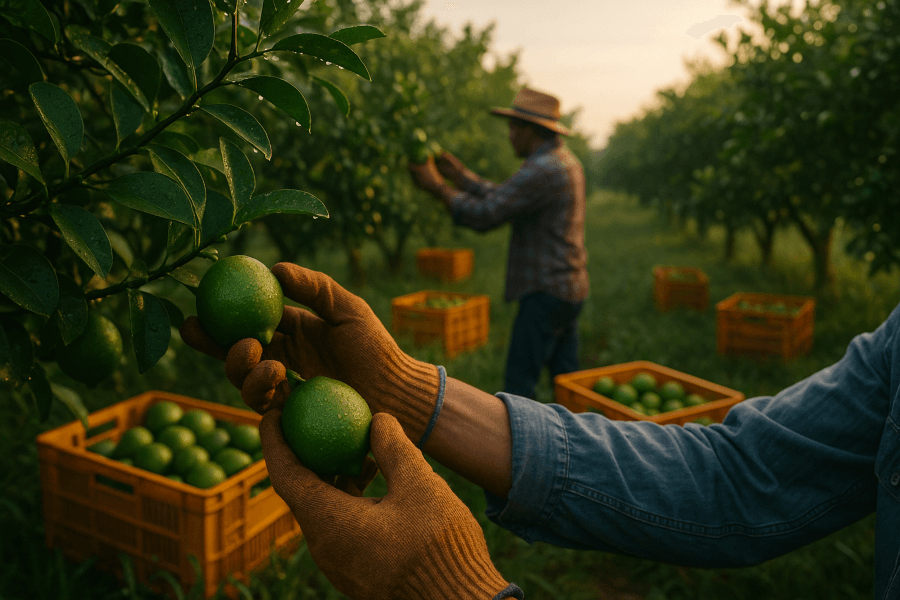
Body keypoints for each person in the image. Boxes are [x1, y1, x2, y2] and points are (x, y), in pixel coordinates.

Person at [181, 262, 899, 600]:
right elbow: (740, 476)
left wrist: (441, 586)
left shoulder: (544, 169)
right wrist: (402, 389)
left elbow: (487, 205)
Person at [408, 87, 589, 400]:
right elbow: (507, 196)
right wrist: (461, 177)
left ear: (531, 131)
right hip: (569, 287)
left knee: (518, 388)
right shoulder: (562, 161)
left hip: (545, 293)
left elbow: (486, 214)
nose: (509, 135)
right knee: (566, 380)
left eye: (514, 127)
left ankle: (522, 434)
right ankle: (577, 427)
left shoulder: (542, 169)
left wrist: (437, 187)